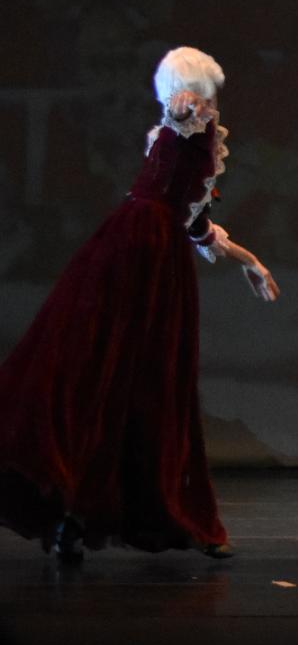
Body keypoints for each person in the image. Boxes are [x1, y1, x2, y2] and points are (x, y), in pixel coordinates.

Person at [0, 47, 280, 561]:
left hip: (156, 261)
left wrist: (250, 261)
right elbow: (178, 114)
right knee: (96, 375)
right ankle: (68, 513)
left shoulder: (200, 142)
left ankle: (105, 515)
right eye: (201, 91)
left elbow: (196, 227)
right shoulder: (182, 124)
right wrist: (183, 105)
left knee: (142, 388)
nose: (209, 102)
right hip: (133, 257)